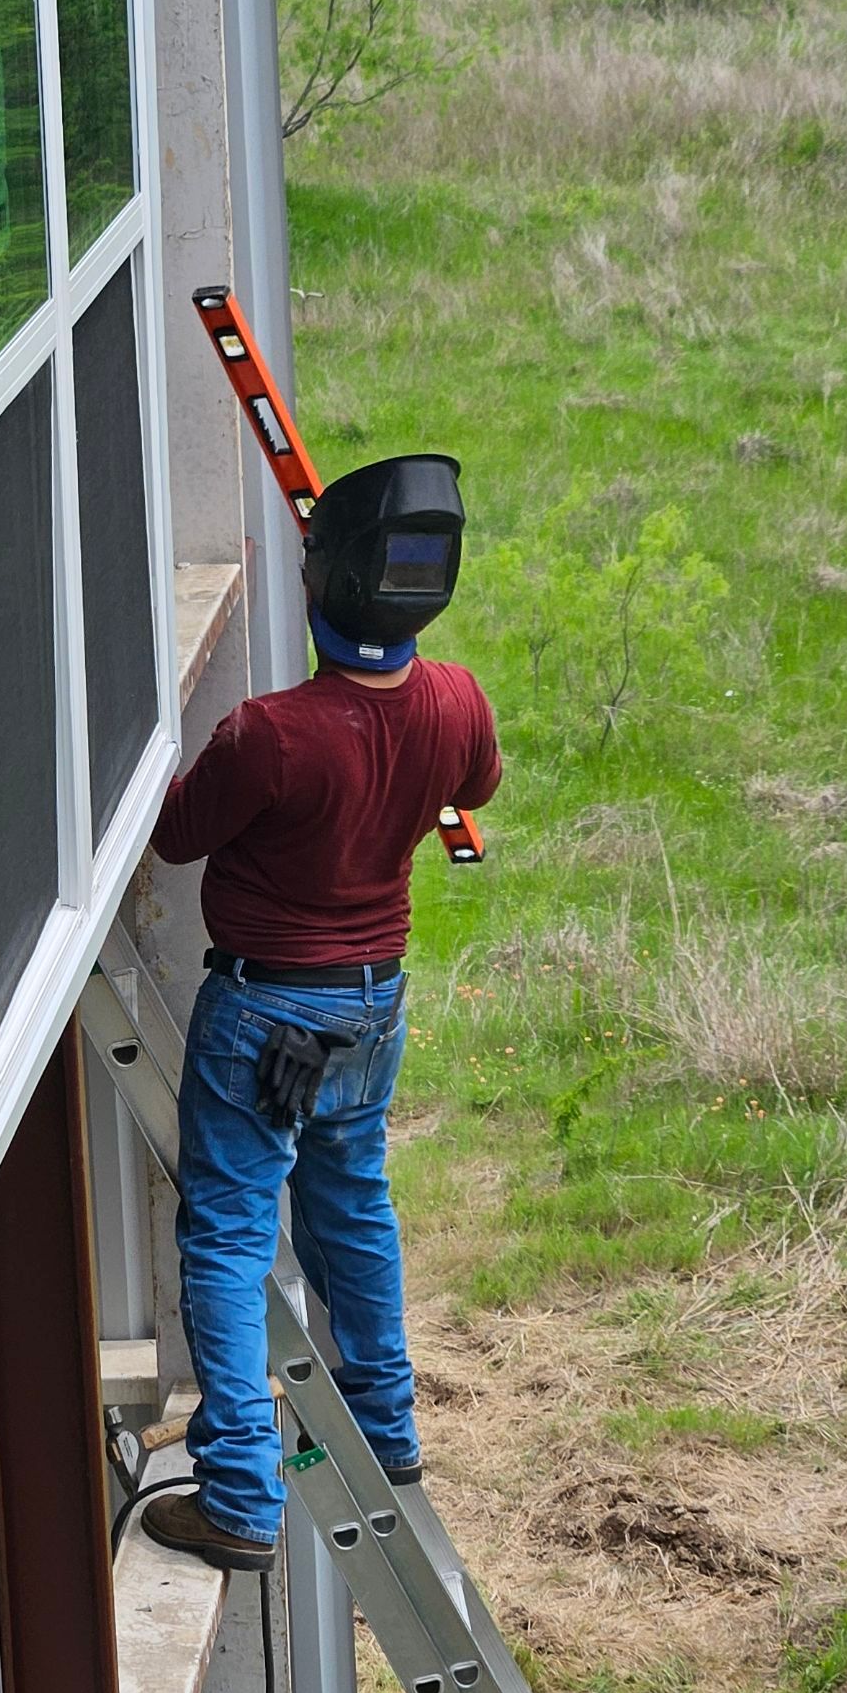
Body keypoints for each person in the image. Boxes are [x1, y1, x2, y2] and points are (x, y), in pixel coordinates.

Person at [141, 454, 501, 1573]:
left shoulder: (273, 733)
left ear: (321, 582)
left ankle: (241, 1493)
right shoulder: (455, 700)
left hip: (265, 1012)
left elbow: (176, 833)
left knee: (231, 1235)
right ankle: (388, 1432)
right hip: (369, 1009)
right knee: (352, 1206)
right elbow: (474, 787)